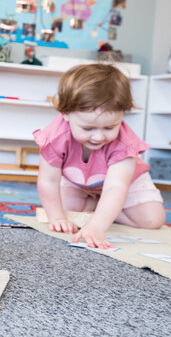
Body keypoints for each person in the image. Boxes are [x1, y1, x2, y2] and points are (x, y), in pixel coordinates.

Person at [34, 63, 166, 249]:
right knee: (62, 207)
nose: (98, 137)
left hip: (124, 183)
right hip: (79, 182)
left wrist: (97, 225)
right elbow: (48, 180)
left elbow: (116, 187)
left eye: (110, 127)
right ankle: (99, 205)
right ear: (65, 114)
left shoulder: (124, 143)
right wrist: (57, 217)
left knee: (152, 220)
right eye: (88, 128)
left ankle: (104, 209)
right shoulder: (54, 137)